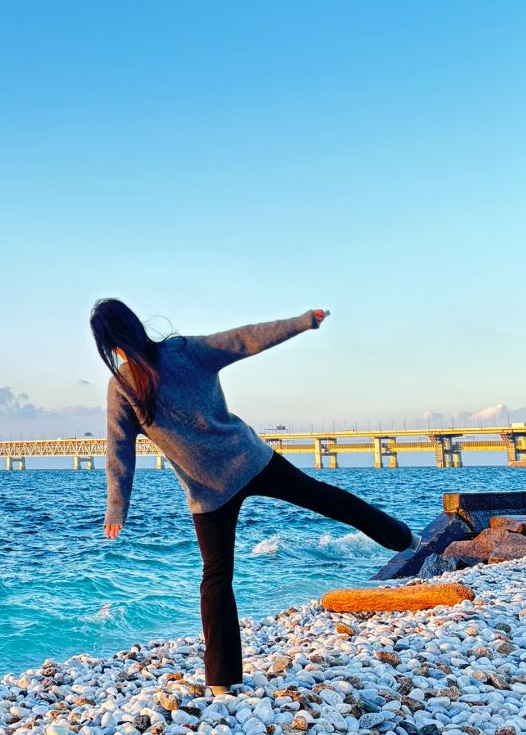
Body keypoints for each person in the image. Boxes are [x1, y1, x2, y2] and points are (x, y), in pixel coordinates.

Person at [91, 298, 418, 695]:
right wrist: (302, 322)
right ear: (134, 325)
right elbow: (245, 339)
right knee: (325, 498)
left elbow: (118, 449)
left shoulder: (126, 382)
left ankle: (222, 683)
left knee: (215, 578)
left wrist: (116, 507)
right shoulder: (176, 356)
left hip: (213, 485)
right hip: (245, 462)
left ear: (107, 344)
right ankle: (404, 539)